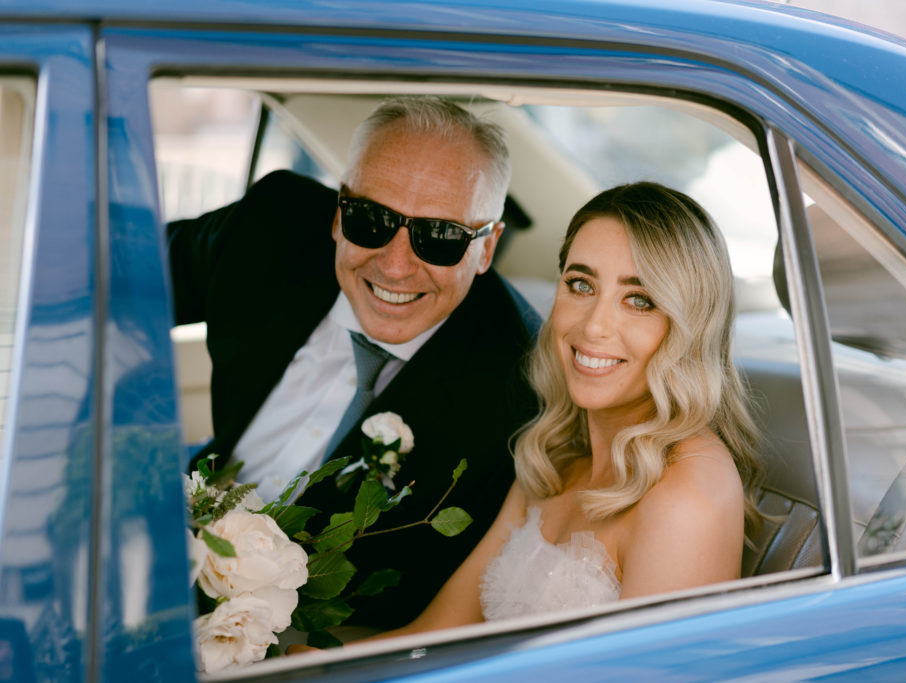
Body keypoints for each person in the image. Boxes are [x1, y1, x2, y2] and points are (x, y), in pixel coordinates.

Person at [166, 97, 541, 629]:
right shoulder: (270, 227)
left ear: (486, 248)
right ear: (339, 214)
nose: (394, 265)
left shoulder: (518, 389)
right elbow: (116, 278)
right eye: (371, 220)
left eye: (439, 238)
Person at [355, 181, 762, 637]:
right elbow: (436, 631)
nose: (594, 326)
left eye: (639, 300)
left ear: (691, 325)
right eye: (580, 285)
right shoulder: (557, 456)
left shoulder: (689, 491)